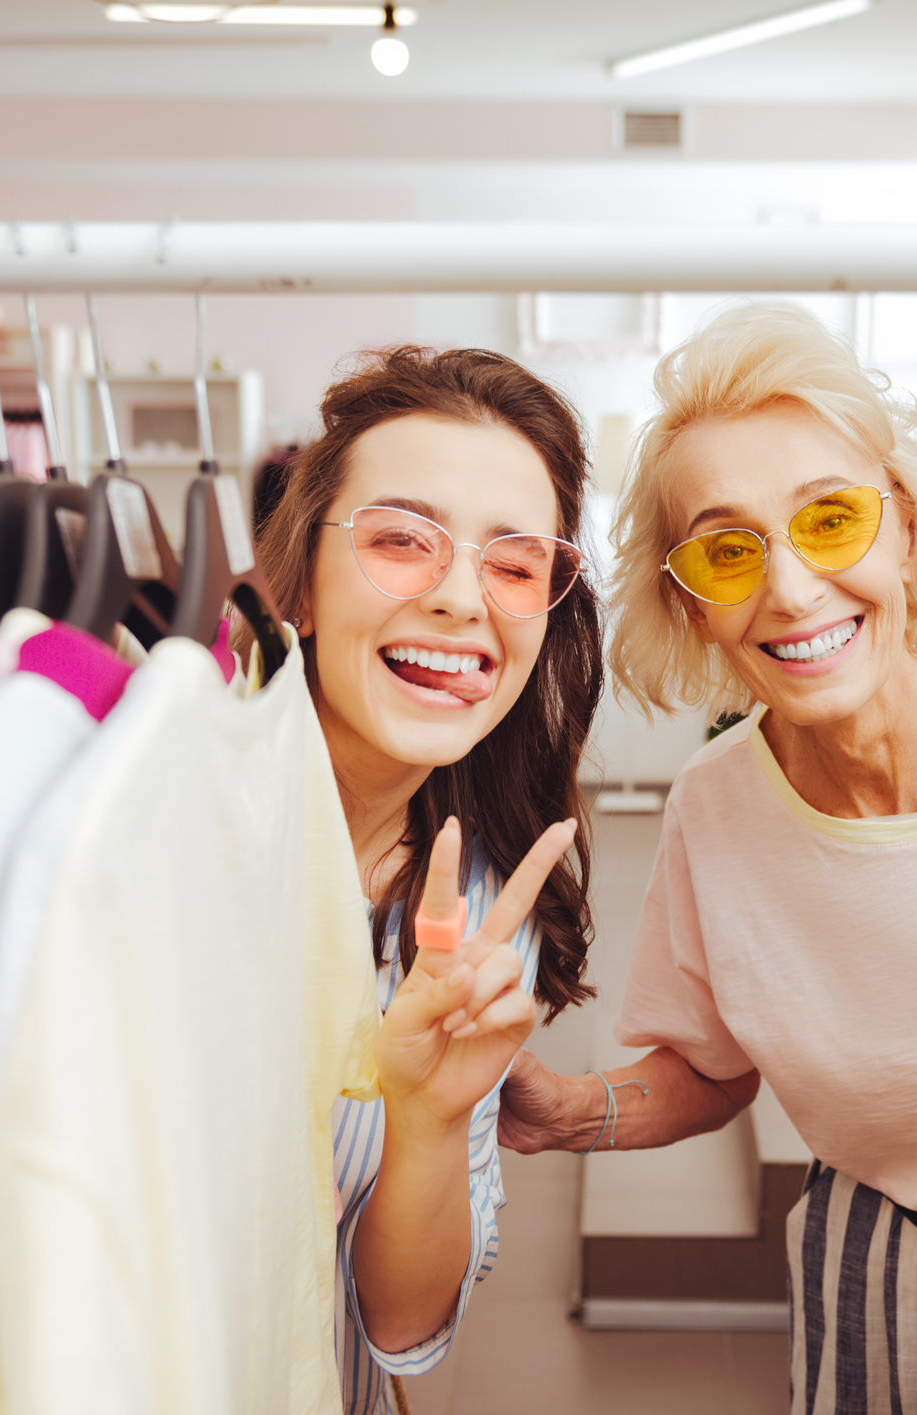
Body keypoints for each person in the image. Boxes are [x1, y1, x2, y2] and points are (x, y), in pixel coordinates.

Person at [499, 306, 917, 1413]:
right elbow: (712, 1068)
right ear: (689, 603)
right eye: (727, 548)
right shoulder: (716, 811)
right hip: (877, 1257)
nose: (794, 589)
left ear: (903, 530)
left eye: (833, 519)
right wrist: (557, 1110)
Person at [250, 346, 602, 1412]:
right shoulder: (153, 839)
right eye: (403, 540)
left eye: (514, 563)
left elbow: (400, 1326)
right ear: (299, 585)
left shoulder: (482, 905)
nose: (461, 599)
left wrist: (432, 1117)